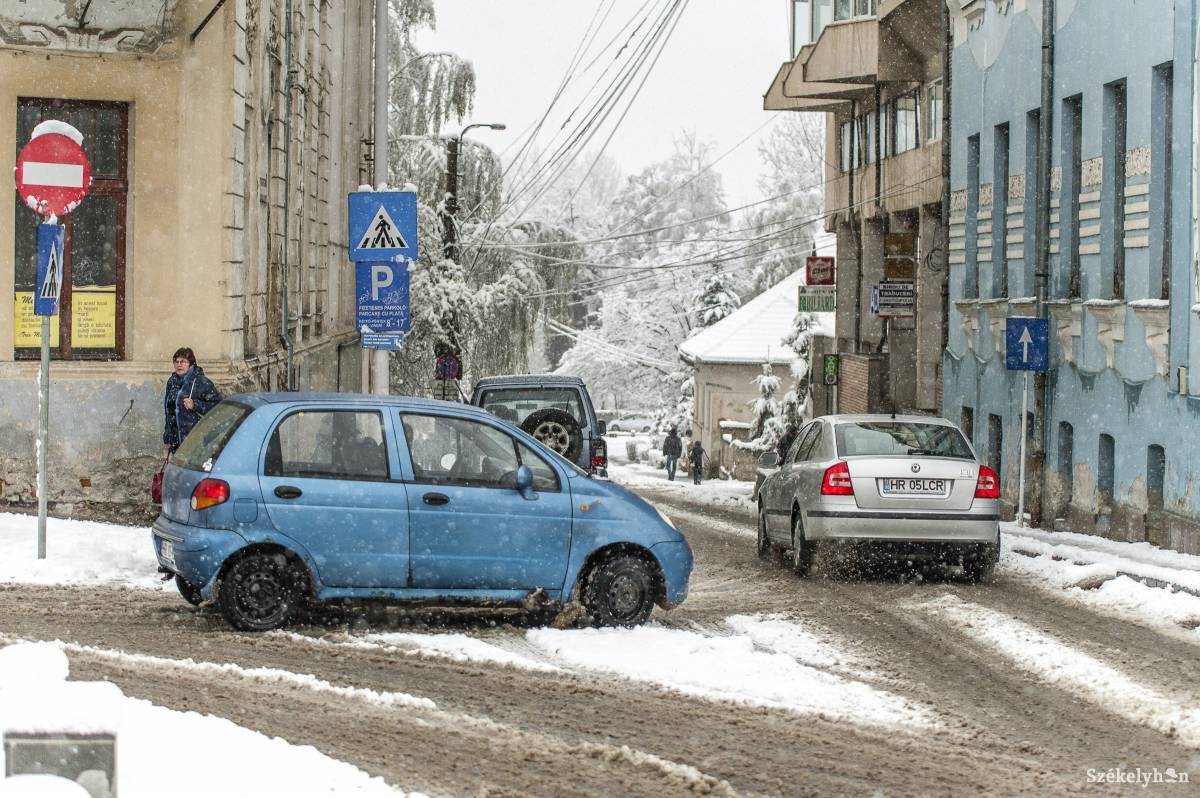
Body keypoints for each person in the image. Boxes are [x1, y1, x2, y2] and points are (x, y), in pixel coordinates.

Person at [165, 347, 222, 451]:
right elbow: (169, 412)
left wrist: (195, 405)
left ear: (191, 364)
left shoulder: (201, 382)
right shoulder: (172, 382)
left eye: (183, 361)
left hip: (197, 441)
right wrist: (168, 437)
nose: (179, 364)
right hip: (177, 442)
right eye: (176, 361)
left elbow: (218, 408)